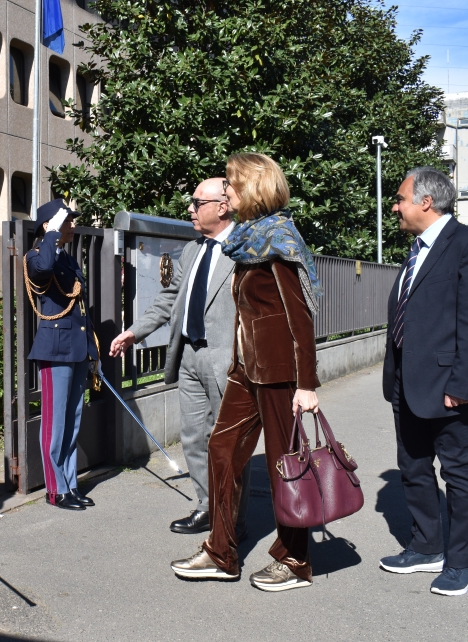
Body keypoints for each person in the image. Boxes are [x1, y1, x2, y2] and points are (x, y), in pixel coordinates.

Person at [170, 152, 321, 592]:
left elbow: (301, 318)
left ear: (252, 189)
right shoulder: (249, 240)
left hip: (278, 374)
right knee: (222, 450)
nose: (227, 193)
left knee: (283, 466)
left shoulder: (278, 241)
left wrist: (307, 384)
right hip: (245, 369)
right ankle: (222, 552)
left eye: (232, 186)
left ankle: (295, 560)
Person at [378, 167, 468, 597]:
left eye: (400, 199)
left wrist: (462, 384)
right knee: (412, 465)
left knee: (458, 471)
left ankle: (463, 563)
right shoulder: (417, 249)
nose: (395, 206)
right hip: (408, 383)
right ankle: (427, 546)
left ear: (426, 202)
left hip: (450, 385)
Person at [109, 178, 251, 536]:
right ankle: (207, 507)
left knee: (229, 443)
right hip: (189, 357)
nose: (189, 209)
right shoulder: (192, 250)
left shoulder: (246, 249)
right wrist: (134, 331)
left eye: (196, 202)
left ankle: (231, 517)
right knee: (193, 437)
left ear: (222, 206)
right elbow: (169, 298)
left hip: (226, 360)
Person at [24, 199, 98, 511]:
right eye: (66, 221)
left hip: (76, 348)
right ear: (49, 225)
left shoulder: (66, 258)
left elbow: (80, 309)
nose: (71, 226)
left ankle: (70, 484)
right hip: (55, 350)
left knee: (72, 421)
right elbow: (41, 271)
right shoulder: (37, 255)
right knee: (54, 425)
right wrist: (51, 235)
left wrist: (92, 351)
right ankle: (55, 490)